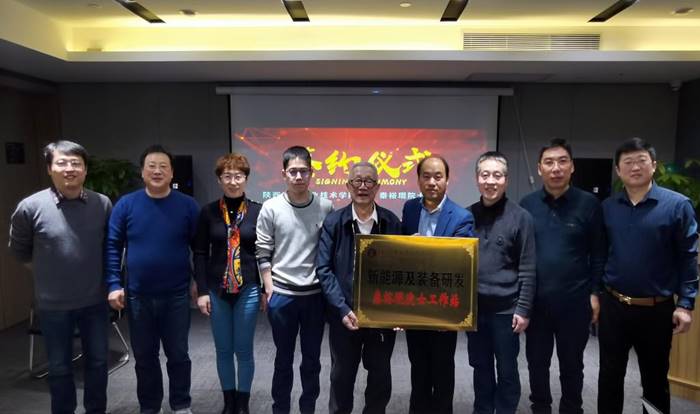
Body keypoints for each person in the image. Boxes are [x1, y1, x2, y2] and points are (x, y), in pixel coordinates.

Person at [9, 140, 112, 414]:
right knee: (59, 367)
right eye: (62, 163)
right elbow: (20, 251)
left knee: (98, 363)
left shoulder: (102, 204)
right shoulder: (30, 207)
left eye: (76, 163)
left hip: (94, 301)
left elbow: (109, 248)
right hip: (53, 305)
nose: (70, 169)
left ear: (85, 170)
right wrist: (50, 272)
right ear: (49, 168)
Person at [598, 137, 698, 414]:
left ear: (653, 165)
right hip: (614, 306)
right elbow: (601, 254)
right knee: (609, 376)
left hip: (656, 309)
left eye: (641, 160)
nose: (635, 167)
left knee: (654, 380)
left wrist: (686, 304)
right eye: (627, 162)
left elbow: (688, 258)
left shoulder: (677, 205)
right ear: (618, 170)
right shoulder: (608, 207)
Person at [105, 144, 200, 414]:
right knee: (145, 357)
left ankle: (181, 404)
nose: (157, 171)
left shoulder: (187, 206)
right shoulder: (126, 205)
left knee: (178, 355)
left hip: (177, 295)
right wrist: (113, 284)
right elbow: (112, 246)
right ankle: (150, 407)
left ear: (172, 173)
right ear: (142, 171)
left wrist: (198, 281)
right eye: (152, 166)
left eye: (163, 167)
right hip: (138, 296)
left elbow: (199, 249)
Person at [520, 139, 606, 414]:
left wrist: (595, 293)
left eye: (562, 161)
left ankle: (572, 409)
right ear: (540, 168)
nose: (556, 168)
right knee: (536, 363)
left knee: (572, 364)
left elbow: (599, 254)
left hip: (575, 302)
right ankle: (540, 408)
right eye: (549, 162)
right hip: (537, 303)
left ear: (572, 167)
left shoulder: (589, 204)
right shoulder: (527, 205)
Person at [316, 161, 402, 414]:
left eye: (369, 181)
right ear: (348, 185)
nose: (363, 186)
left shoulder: (391, 222)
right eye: (357, 181)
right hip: (344, 315)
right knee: (341, 377)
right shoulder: (334, 222)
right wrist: (342, 309)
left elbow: (401, 270)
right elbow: (324, 269)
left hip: (380, 317)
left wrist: (399, 310)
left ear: (378, 187)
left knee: (380, 378)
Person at [256, 145, 333, 414]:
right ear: (283, 174)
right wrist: (269, 288)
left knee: (312, 361)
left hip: (314, 297)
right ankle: (280, 408)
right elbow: (262, 251)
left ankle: (307, 408)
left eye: (303, 171)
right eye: (293, 172)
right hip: (282, 296)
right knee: (283, 359)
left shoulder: (325, 206)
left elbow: (329, 252)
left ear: (311, 173)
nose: (298, 176)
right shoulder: (271, 207)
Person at [401, 155, 475, 414]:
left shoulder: (462, 216)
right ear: (418, 179)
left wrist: (419, 249)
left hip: (444, 308)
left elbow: (459, 264)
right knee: (418, 368)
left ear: (447, 180)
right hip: (414, 307)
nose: (432, 182)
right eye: (426, 176)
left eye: (438, 176)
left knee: (442, 372)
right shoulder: (410, 208)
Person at [467, 151, 536, 414]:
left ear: (506, 180)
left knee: (507, 370)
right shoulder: (467, 216)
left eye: (497, 175)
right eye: (485, 175)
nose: (490, 181)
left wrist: (523, 309)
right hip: (475, 311)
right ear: (477, 179)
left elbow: (528, 268)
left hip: (507, 311)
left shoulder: (521, 217)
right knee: (480, 367)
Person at [194, 153, 262, 414]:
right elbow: (200, 253)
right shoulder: (208, 212)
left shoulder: (258, 211)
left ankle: (242, 404)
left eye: (238, 176)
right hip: (216, 289)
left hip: (248, 288)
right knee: (223, 349)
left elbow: (264, 254)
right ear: (219, 180)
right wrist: (202, 291)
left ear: (246, 179)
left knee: (243, 349)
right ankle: (228, 402)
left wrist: (265, 289)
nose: (233, 182)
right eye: (227, 176)